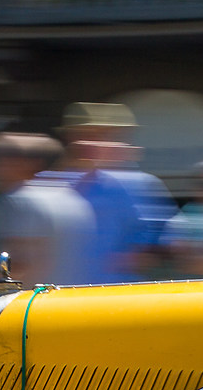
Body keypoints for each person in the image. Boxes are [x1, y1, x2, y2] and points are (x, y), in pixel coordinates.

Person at [61, 103, 175, 282]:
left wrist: (135, 259)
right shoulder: (56, 184)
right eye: (84, 135)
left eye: (103, 135)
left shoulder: (143, 185)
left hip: (121, 292)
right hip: (61, 292)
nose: (90, 143)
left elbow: (167, 247)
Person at [0, 132, 95, 289]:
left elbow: (18, 268)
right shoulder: (76, 199)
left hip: (34, 300)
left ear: (24, 164)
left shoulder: (19, 201)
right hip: (74, 298)